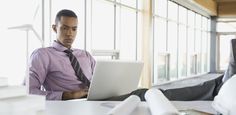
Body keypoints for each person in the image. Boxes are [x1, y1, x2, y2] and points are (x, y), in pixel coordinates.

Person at [29, 9, 96, 100]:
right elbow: (29, 91)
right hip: (64, 107)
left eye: (74, 29)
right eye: (65, 28)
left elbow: (100, 81)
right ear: (54, 28)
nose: (70, 34)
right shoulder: (42, 55)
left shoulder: (86, 55)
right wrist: (65, 95)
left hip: (94, 102)